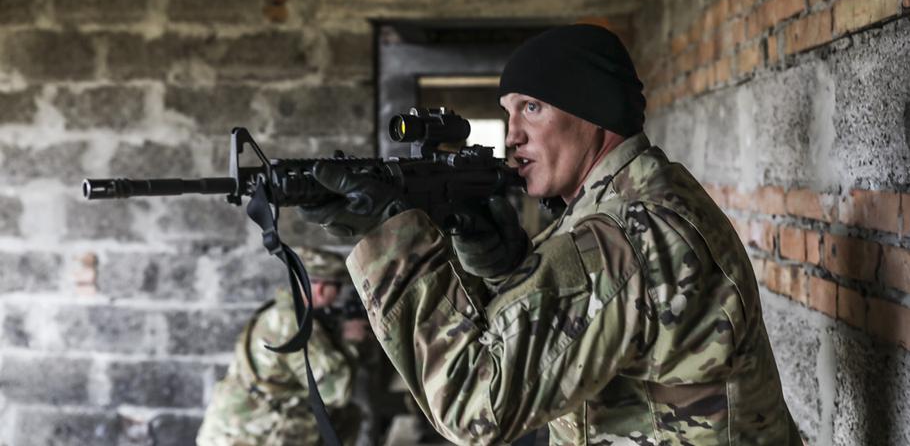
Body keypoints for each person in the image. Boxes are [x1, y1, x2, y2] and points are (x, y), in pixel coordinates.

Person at [299, 24, 801, 444]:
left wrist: (391, 244)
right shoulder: (646, 198)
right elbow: (568, 330)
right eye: (508, 112)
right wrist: (502, 270)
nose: (512, 133)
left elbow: (473, 406)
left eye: (532, 108)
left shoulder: (626, 237)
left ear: (592, 112)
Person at [196, 247, 367, 446]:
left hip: (230, 427)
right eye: (336, 287)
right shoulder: (295, 325)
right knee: (345, 416)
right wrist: (352, 342)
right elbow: (336, 392)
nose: (338, 296)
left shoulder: (279, 312)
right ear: (320, 289)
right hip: (248, 435)